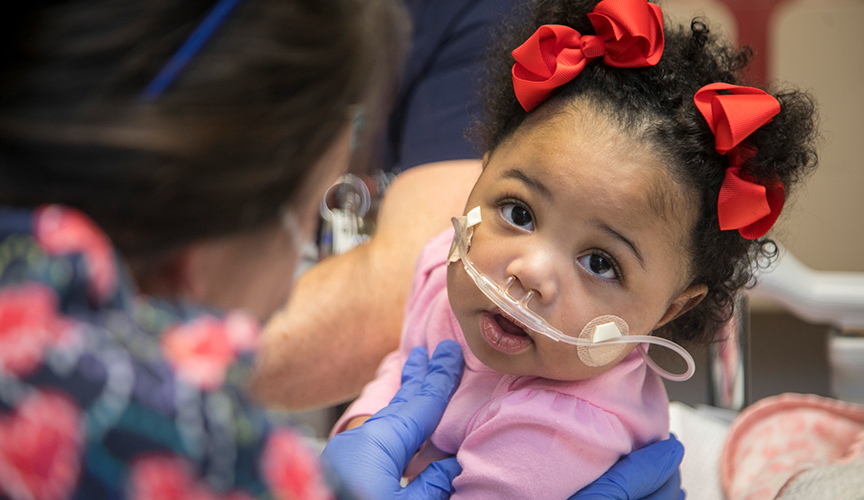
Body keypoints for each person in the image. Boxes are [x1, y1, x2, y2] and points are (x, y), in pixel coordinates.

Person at [0, 1, 685, 499]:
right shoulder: (207, 443)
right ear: (199, 245)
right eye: (313, 216)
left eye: (601, 262)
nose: (529, 271)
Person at [331, 0, 819, 498]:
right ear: (482, 173)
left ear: (670, 308)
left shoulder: (560, 430)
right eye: (518, 212)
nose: (529, 272)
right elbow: (403, 365)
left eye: (600, 263)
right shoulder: (448, 267)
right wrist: (364, 425)